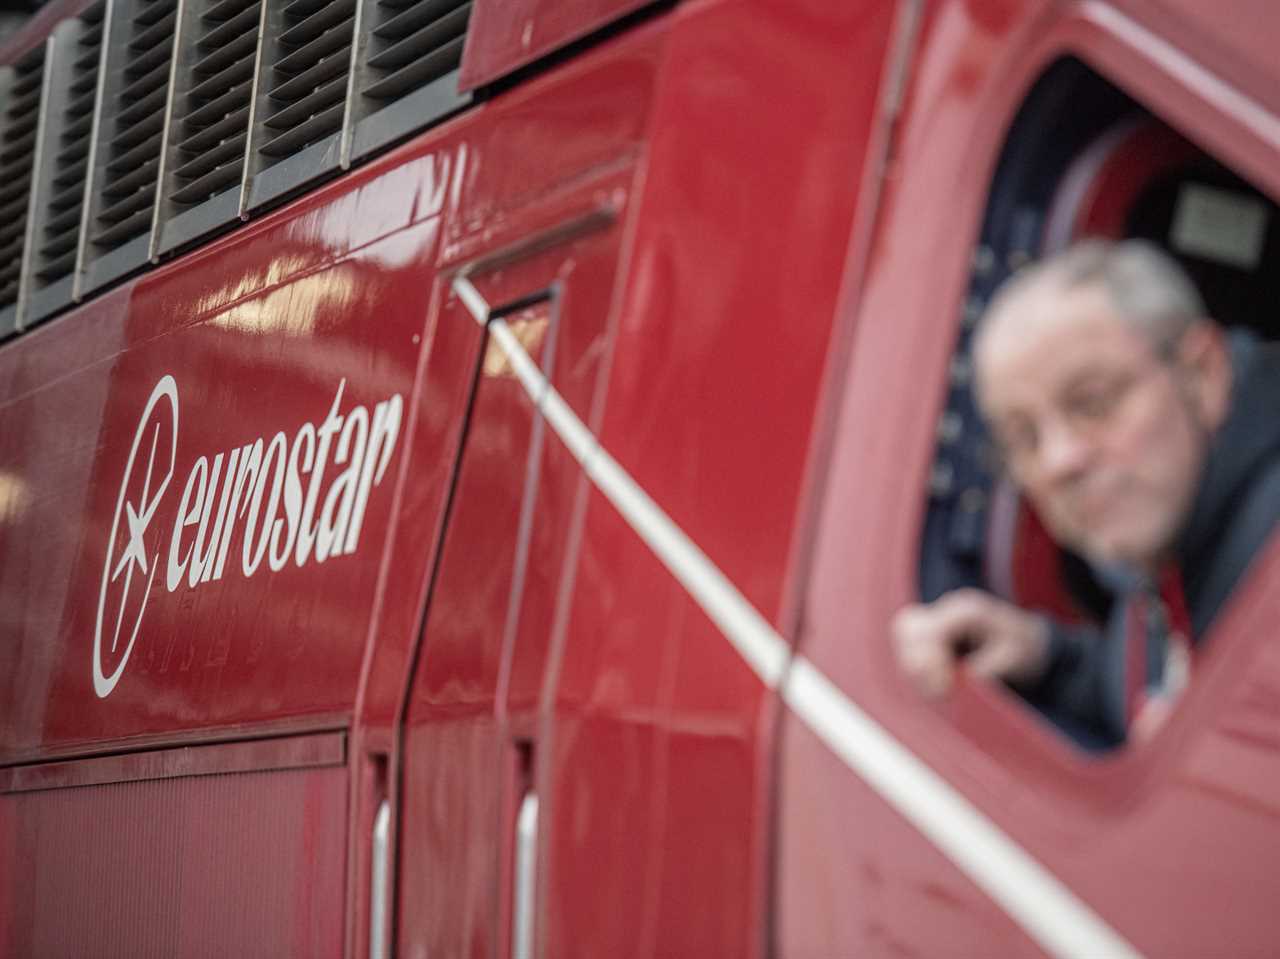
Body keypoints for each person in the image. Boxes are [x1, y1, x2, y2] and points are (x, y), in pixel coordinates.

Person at [894, 238, 1280, 750]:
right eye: (1024, 439)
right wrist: (1047, 656)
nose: (1059, 462)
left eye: (1093, 403)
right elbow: (1162, 676)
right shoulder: (1168, 554)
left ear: (1201, 374)